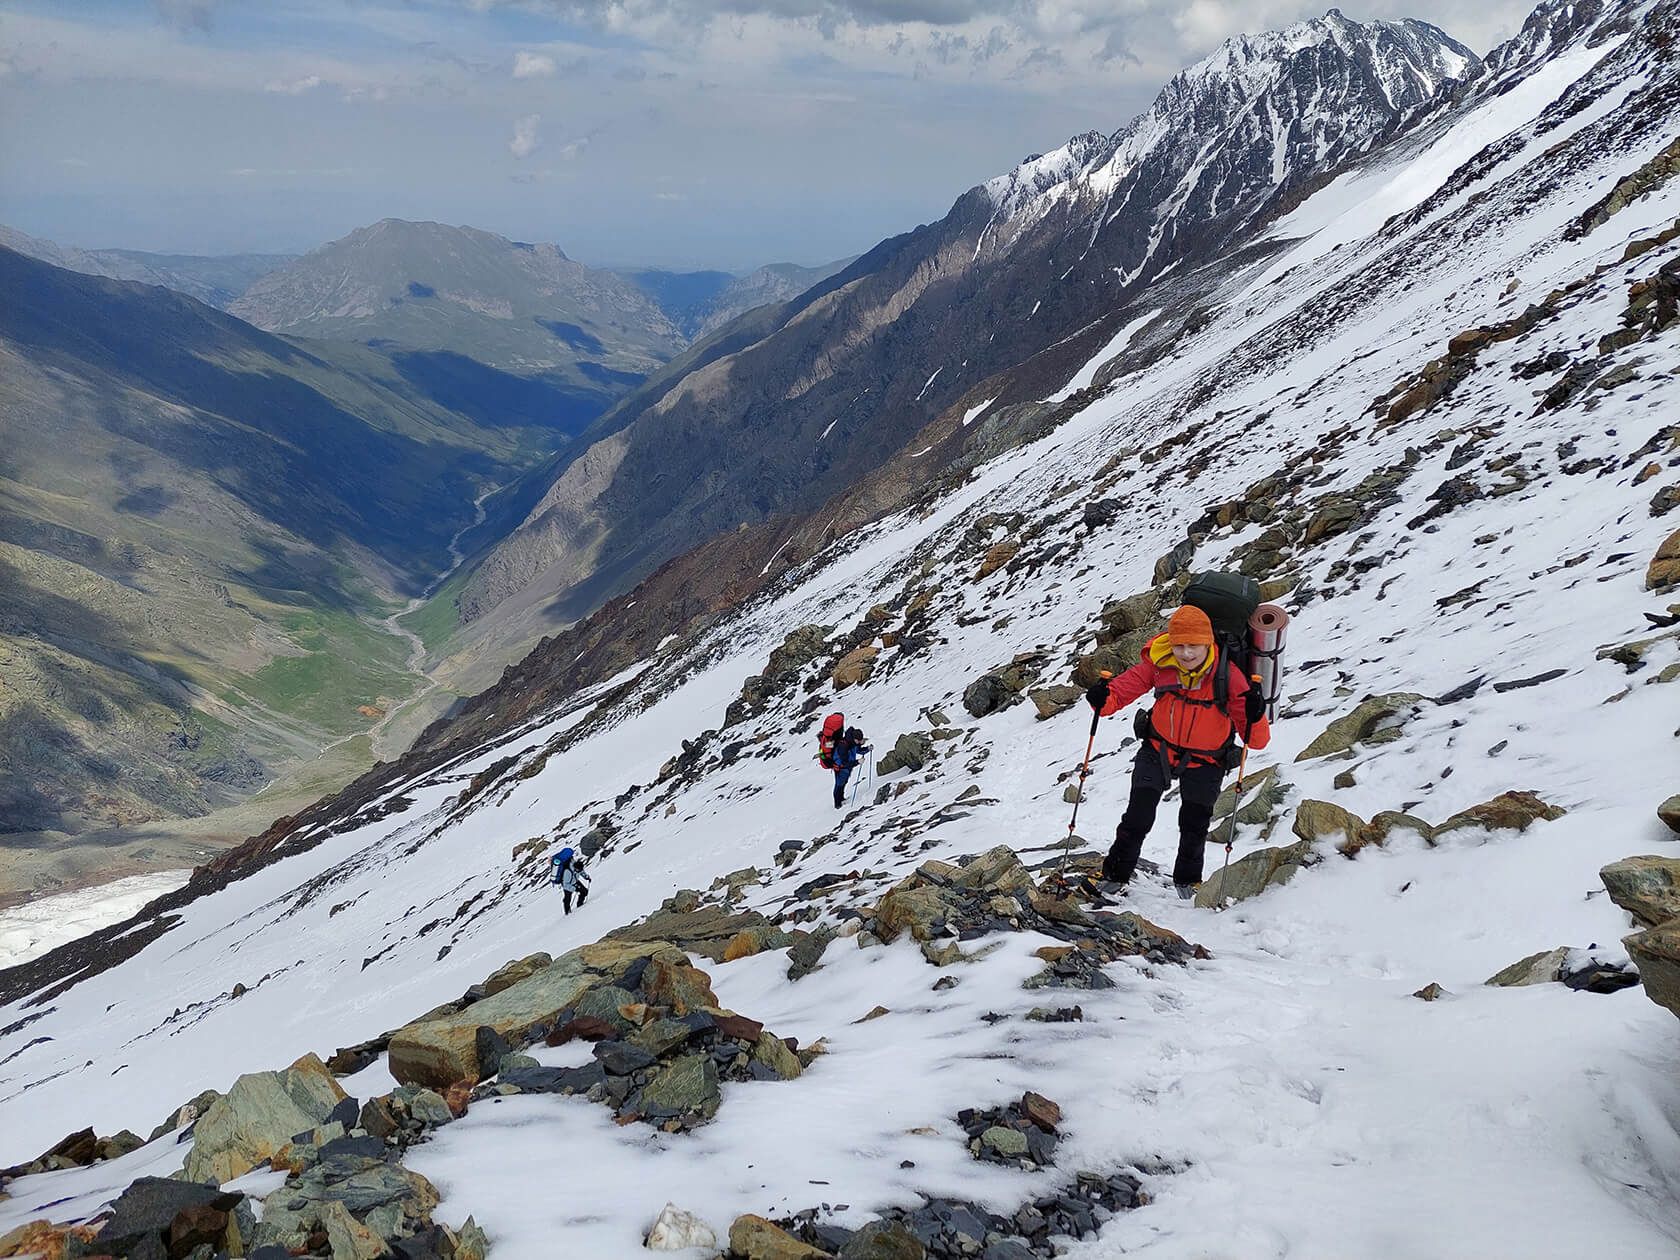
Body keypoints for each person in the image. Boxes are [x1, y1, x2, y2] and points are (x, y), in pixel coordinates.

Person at [1084, 604, 1270, 898]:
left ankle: (1188, 880)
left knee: (1194, 824)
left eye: (1194, 645)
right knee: (1137, 817)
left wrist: (1255, 713)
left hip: (1208, 760)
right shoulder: (1160, 662)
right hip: (1158, 749)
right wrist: (1102, 699)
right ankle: (1114, 875)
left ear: (1207, 642)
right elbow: (1122, 690)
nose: (1186, 653)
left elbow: (1256, 740)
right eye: (1180, 645)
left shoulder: (1227, 675)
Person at [831, 726, 870, 809]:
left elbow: (858, 750)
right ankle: (837, 804)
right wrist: (857, 762)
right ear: (854, 738)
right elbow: (844, 763)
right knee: (839, 785)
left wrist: (867, 749)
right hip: (840, 768)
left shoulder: (854, 742)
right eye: (858, 740)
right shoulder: (843, 746)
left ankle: (841, 799)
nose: (859, 742)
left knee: (844, 783)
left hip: (848, 768)